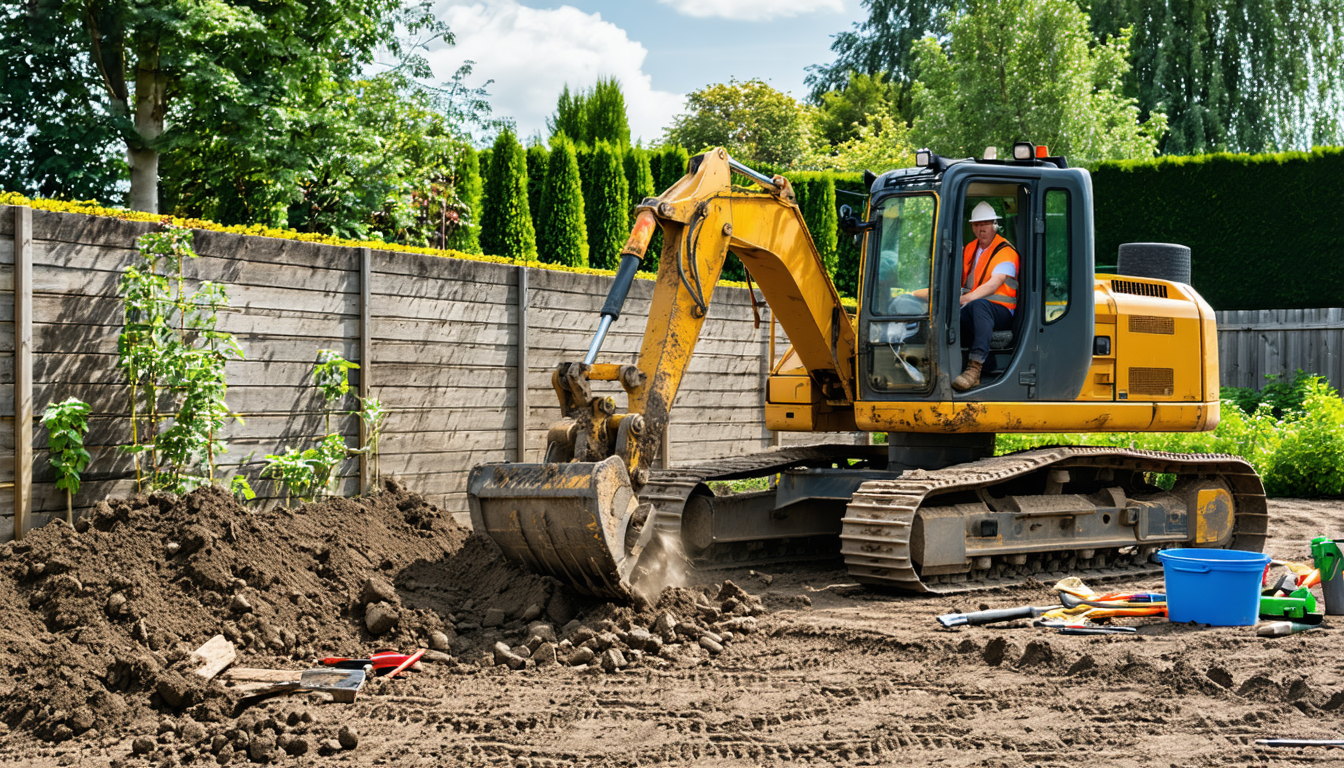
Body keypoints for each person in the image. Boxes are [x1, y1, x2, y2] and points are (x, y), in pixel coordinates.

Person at [953, 201, 1018, 391]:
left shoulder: (1006, 251)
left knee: (979, 305)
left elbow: (994, 284)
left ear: (995, 225)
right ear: (972, 227)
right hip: (974, 308)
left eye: (985, 224)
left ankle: (975, 368)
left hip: (1001, 312)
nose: (981, 229)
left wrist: (964, 299)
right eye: (977, 224)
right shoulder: (970, 249)